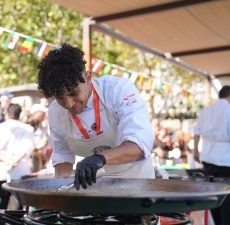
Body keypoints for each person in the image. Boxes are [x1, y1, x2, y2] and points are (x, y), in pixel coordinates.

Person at [37, 44, 155, 190]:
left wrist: (100, 158)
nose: (69, 103)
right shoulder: (55, 111)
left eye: (74, 93)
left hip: (137, 184)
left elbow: (139, 144)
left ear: (87, 77)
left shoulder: (117, 90)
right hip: (95, 190)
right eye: (60, 98)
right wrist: (60, 191)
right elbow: (63, 157)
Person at [193, 85, 230, 225]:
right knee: (228, 203)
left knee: (214, 199)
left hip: (208, 158)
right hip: (227, 161)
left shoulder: (206, 110)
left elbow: (196, 132)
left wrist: (195, 151)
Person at [0, 103, 34, 212]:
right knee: (19, 208)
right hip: (20, 172)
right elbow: (27, 149)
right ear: (19, 114)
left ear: (6, 114)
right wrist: (15, 161)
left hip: (1, 171)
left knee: (0, 206)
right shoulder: (28, 129)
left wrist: (7, 160)